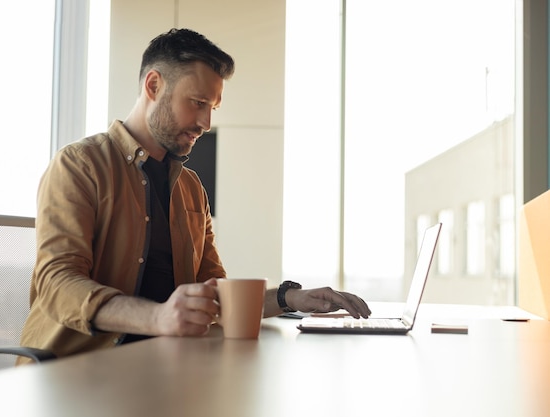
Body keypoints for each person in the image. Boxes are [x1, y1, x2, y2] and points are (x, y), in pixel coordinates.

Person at [18, 28, 371, 364]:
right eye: (198, 102)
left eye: (212, 108)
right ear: (154, 85)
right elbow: (57, 283)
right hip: (73, 371)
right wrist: (158, 318)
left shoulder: (190, 188)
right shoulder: (79, 166)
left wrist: (289, 297)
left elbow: (213, 293)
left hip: (156, 368)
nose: (205, 121)